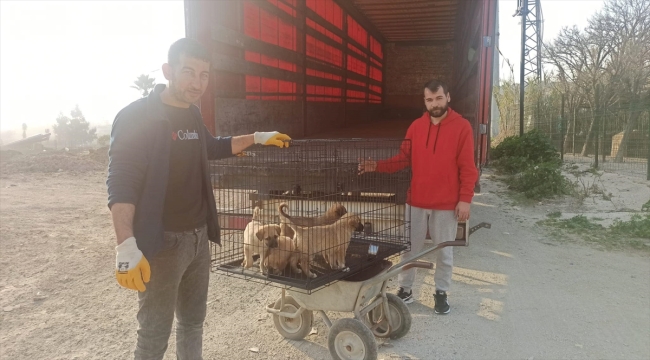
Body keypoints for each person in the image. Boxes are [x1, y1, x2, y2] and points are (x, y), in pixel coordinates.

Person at [106, 38, 291, 359]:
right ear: (168, 71)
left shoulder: (191, 114)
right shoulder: (137, 116)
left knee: (192, 323)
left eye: (204, 75)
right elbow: (121, 182)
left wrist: (258, 137)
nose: (198, 83)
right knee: (153, 334)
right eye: (189, 72)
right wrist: (126, 245)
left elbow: (213, 146)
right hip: (163, 243)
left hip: (197, 239)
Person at [359, 79, 478, 314]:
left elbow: (468, 167)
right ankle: (406, 290)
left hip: (446, 203)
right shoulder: (416, 127)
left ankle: (441, 293)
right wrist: (377, 166)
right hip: (416, 200)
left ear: (448, 97)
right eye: (430, 99)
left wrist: (465, 199)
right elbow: (403, 159)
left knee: (444, 251)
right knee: (409, 248)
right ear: (425, 101)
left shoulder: (462, 127)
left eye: (439, 98)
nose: (435, 104)